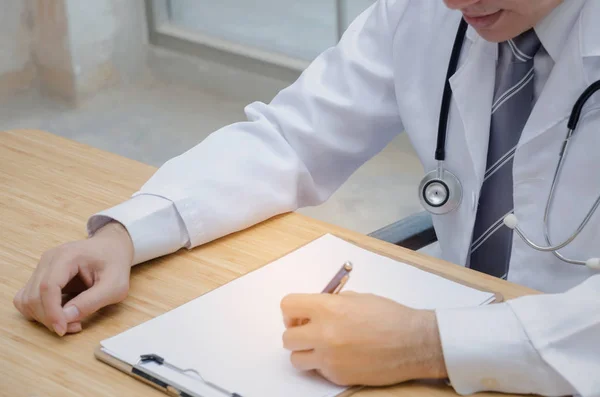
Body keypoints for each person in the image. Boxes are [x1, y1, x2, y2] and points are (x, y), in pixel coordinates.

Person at [13, 0, 600, 395]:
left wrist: (425, 343)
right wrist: (126, 234)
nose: (450, 2)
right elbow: (292, 137)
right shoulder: (421, 13)